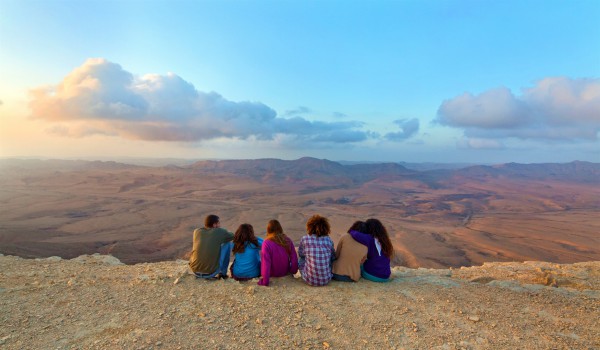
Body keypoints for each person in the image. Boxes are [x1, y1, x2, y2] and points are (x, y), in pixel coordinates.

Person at [189, 214, 234, 279]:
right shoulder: (219, 231)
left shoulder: (196, 231)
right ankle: (223, 274)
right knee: (227, 243)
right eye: (218, 223)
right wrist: (223, 232)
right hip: (210, 273)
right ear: (214, 225)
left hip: (195, 271)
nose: (220, 225)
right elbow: (232, 235)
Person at [298, 214, 336, 286]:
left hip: (308, 279)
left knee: (301, 259)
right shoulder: (328, 240)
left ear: (309, 227)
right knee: (330, 258)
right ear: (326, 227)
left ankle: (309, 273)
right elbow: (333, 257)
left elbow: (301, 254)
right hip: (326, 280)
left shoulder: (305, 239)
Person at [257, 219, 298, 286]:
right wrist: (293, 271)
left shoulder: (266, 243)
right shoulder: (287, 240)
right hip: (284, 272)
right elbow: (294, 258)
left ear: (268, 230)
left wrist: (265, 281)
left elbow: (266, 264)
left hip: (272, 273)